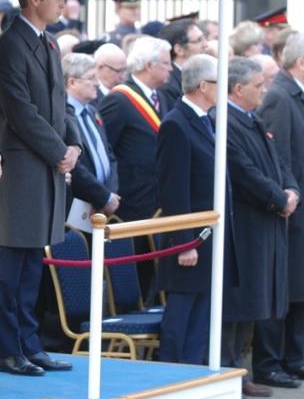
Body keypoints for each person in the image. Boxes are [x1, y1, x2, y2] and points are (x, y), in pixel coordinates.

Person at [0, 0, 79, 376]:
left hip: (47, 163)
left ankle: (30, 344)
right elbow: (21, 110)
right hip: (25, 166)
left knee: (31, 264)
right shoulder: (11, 45)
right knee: (13, 263)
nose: (62, 3)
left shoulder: (49, 42)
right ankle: (9, 350)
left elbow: (61, 103)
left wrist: (72, 144)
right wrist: (58, 150)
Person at [223, 57, 300, 391]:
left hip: (267, 218)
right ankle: (232, 372)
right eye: (258, 85)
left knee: (256, 301)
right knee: (241, 303)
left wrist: (291, 190)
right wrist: (280, 198)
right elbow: (243, 170)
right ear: (239, 89)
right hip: (248, 223)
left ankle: (238, 372)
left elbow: (277, 160)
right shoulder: (226, 122)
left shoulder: (251, 118)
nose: (264, 90)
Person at [156, 54, 226, 364]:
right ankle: (174, 373)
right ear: (202, 85)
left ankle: (195, 372)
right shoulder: (176, 123)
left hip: (207, 233)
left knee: (201, 313)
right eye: (218, 83)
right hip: (191, 238)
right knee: (182, 312)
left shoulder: (204, 120)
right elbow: (174, 189)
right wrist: (184, 241)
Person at [98, 36, 172, 299]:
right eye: (165, 63)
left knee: (153, 273)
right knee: (136, 274)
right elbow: (106, 149)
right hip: (132, 201)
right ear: (149, 65)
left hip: (156, 199)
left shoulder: (160, 97)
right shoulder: (119, 100)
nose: (171, 68)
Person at [258, 33, 304, 385]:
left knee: (298, 290)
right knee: (283, 290)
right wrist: (287, 197)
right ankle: (272, 362)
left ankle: (295, 356)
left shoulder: (294, 95)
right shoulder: (280, 97)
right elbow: (280, 160)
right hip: (290, 212)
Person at [62, 53, 119, 215]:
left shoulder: (93, 111)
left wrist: (110, 194)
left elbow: (109, 155)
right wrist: (102, 196)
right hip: (78, 208)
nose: (97, 84)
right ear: (72, 82)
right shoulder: (61, 117)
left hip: (104, 203)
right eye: (91, 78)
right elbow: (74, 165)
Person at [156, 20, 208, 112]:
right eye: (199, 40)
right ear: (179, 50)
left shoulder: (199, 76)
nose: (206, 45)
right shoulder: (168, 86)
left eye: (204, 38)